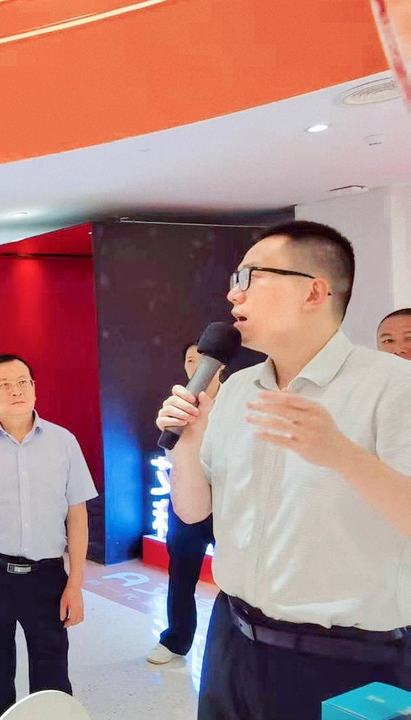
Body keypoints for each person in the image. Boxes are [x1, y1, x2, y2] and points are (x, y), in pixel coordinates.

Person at [156, 220, 411, 719]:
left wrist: (341, 454)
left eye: (250, 277)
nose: (233, 294)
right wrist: (186, 446)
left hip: (347, 661)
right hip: (232, 639)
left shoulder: (394, 386)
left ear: (314, 292)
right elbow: (194, 512)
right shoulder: (237, 388)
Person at [0, 354, 97, 720]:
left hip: (47, 575)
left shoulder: (63, 442)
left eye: (23, 382)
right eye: (4, 385)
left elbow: (77, 515)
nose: (16, 391)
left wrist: (75, 585)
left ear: (34, 388)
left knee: (52, 671)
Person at [146, 342, 220, 665]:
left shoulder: (237, 400)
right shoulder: (178, 405)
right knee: (181, 577)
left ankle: (230, 646)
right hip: (184, 504)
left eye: (204, 359)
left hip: (228, 506)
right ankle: (176, 641)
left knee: (233, 581)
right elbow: (171, 453)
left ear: (220, 365)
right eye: (190, 359)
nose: (197, 365)